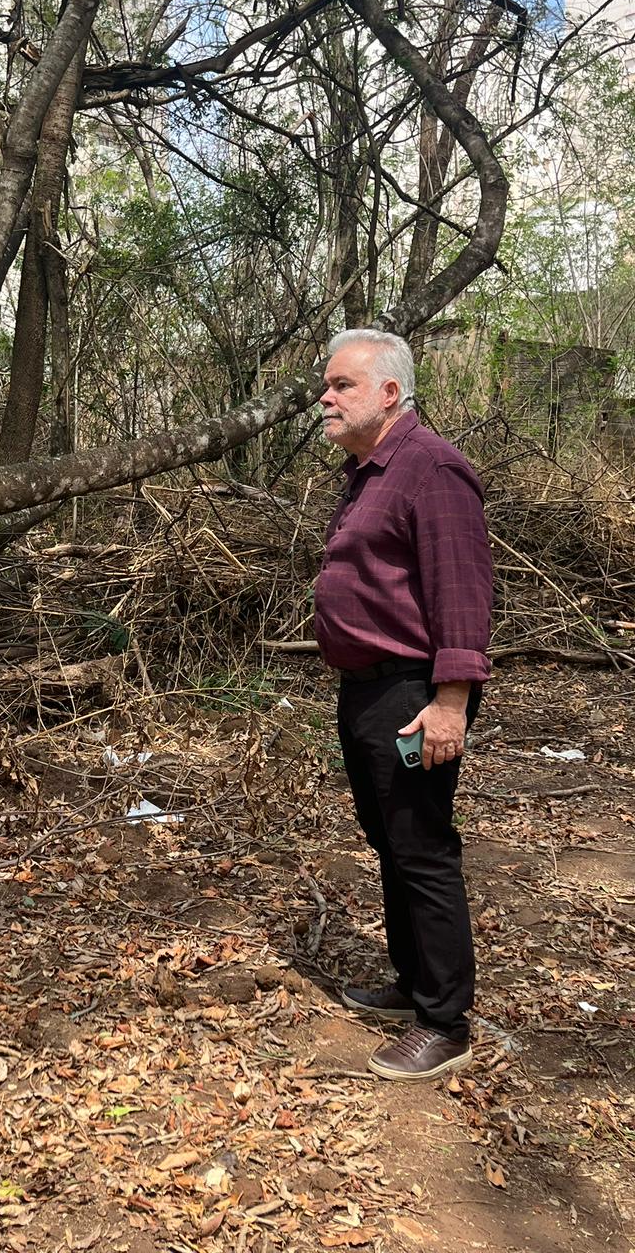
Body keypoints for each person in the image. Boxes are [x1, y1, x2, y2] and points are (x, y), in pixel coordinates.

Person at [312, 327, 492, 1081]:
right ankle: (413, 983)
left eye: (341, 385)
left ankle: (445, 1021)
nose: (324, 397)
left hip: (415, 695)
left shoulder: (432, 469)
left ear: (389, 393)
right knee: (388, 838)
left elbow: (461, 593)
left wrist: (450, 703)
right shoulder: (370, 470)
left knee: (420, 845)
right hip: (368, 691)